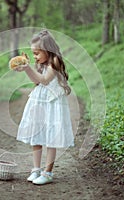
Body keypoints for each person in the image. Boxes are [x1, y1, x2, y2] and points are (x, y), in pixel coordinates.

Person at [14, 30, 74, 185]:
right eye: (33, 54)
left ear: (48, 50)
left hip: (52, 104)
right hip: (39, 102)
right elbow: (37, 81)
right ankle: (36, 169)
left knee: (51, 137)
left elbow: (45, 80)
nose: (35, 57)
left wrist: (27, 68)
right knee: (37, 135)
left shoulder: (54, 62)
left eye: (37, 53)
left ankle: (48, 172)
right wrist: (26, 69)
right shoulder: (41, 63)